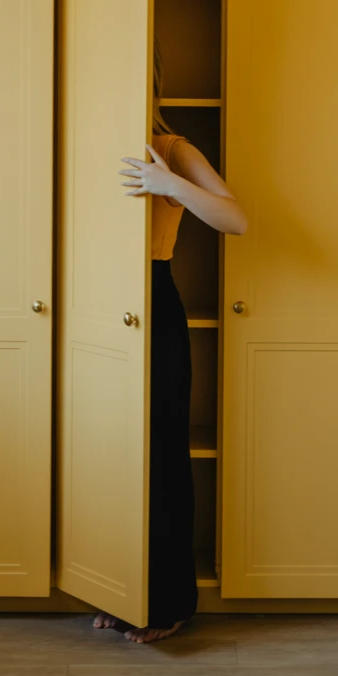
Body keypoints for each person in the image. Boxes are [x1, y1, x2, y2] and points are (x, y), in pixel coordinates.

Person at [94, 40, 248, 644]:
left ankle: (169, 601)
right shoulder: (84, 136)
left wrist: (168, 182)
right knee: (103, 454)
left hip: (152, 302)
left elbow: (236, 219)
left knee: (160, 451)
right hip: (92, 311)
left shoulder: (172, 148)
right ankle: (115, 586)